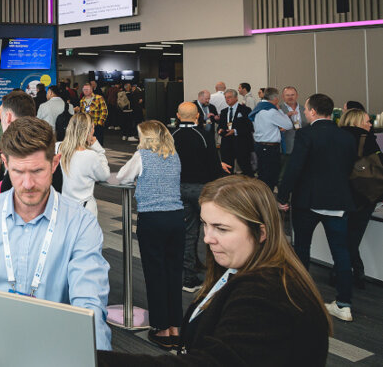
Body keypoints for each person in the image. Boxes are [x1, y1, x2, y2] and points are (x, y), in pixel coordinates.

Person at [97, 176, 330, 366]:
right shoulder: (245, 269)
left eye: (221, 228)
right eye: (205, 224)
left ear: (261, 233)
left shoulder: (266, 294)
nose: (207, 238)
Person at [0, 116, 112, 351]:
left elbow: (89, 304)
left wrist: (97, 356)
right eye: (18, 171)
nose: (28, 184)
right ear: (5, 163)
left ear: (55, 163)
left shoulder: (81, 224)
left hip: (50, 347)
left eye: (38, 171)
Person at [277, 93, 358, 322]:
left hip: (308, 201)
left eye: (306, 109)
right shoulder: (346, 137)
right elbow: (349, 167)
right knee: (341, 252)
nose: (304, 112)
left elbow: (294, 168)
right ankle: (344, 304)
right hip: (339, 201)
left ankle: (301, 297)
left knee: (302, 249)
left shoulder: (306, 134)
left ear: (313, 111)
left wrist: (282, 196)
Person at [116, 120, 185, 350]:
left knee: (155, 273)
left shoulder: (142, 156)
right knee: (174, 273)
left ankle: (161, 328)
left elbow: (123, 177)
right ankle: (176, 326)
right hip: (176, 217)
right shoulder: (174, 155)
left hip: (152, 219)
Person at [172, 102, 229, 292]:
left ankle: (188, 278)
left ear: (178, 116)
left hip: (179, 189)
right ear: (197, 116)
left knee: (188, 233)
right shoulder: (203, 135)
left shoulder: (171, 135)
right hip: (202, 190)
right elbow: (213, 165)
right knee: (215, 232)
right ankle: (216, 276)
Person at [339, 108, 381, 290]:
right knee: (353, 236)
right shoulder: (367, 139)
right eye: (367, 121)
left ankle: (345, 271)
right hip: (364, 196)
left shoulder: (336, 137)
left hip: (340, 194)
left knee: (343, 236)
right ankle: (355, 272)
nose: (370, 124)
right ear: (356, 121)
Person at [60, 113, 110, 216]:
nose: (94, 131)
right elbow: (105, 175)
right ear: (87, 131)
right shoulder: (90, 155)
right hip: (85, 208)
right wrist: (99, 150)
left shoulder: (59, 149)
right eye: (93, 128)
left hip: (65, 208)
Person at [247, 87, 293, 191]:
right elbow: (288, 125)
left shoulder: (258, 108)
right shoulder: (271, 111)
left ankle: (263, 195)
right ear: (275, 98)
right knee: (270, 176)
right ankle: (268, 196)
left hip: (260, 145)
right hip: (269, 147)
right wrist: (280, 110)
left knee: (263, 174)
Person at [218, 89, 254, 177]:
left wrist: (235, 131)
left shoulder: (245, 110)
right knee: (227, 169)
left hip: (241, 143)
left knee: (246, 168)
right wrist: (220, 130)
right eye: (226, 98)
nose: (227, 99)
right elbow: (220, 126)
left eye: (229, 97)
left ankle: (250, 184)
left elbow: (249, 127)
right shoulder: (224, 112)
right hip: (227, 144)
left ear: (236, 98)